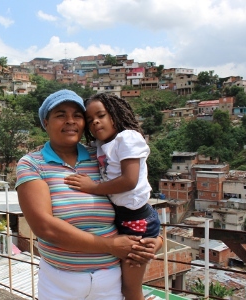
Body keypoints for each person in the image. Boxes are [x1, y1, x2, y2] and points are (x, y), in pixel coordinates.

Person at [16, 89, 162, 300]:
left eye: (77, 115)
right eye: (60, 115)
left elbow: (134, 202)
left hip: (110, 282)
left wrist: (154, 241)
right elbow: (44, 227)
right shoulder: (32, 164)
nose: (70, 121)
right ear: (45, 123)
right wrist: (110, 245)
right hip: (61, 283)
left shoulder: (102, 155)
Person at [64, 93, 161, 300]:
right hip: (124, 218)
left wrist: (93, 187)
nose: (95, 122)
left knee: (131, 289)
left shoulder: (127, 138)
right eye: (90, 120)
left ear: (115, 115)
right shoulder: (102, 144)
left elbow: (129, 180)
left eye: (101, 115)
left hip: (136, 220)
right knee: (121, 286)